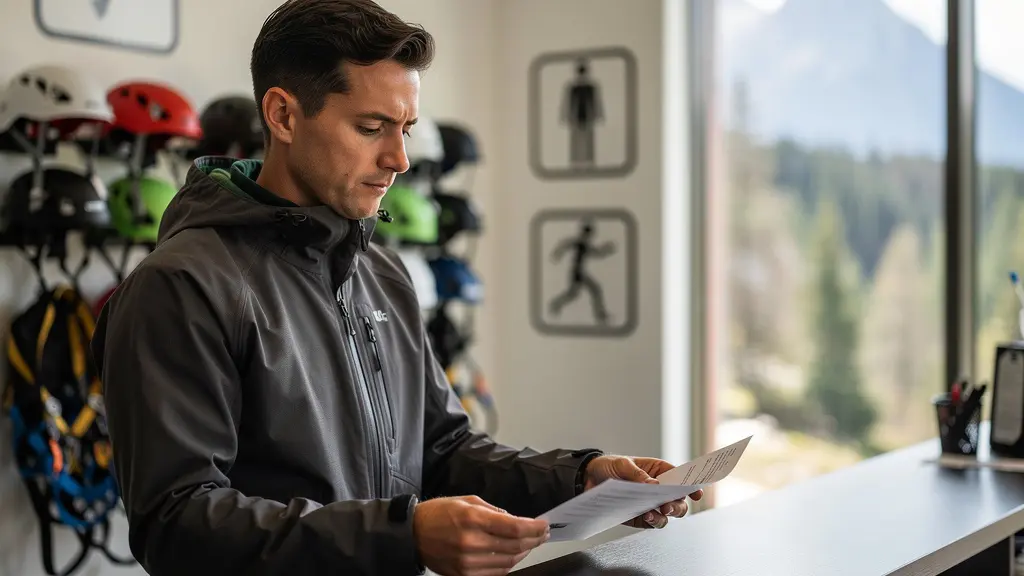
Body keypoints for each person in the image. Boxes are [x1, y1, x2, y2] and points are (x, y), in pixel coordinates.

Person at [90, 1, 702, 575]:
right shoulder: (181, 286)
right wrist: (403, 536)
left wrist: (580, 479)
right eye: (372, 127)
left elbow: (441, 449)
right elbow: (175, 524)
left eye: (406, 127)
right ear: (282, 115)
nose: (400, 159)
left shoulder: (379, 272)